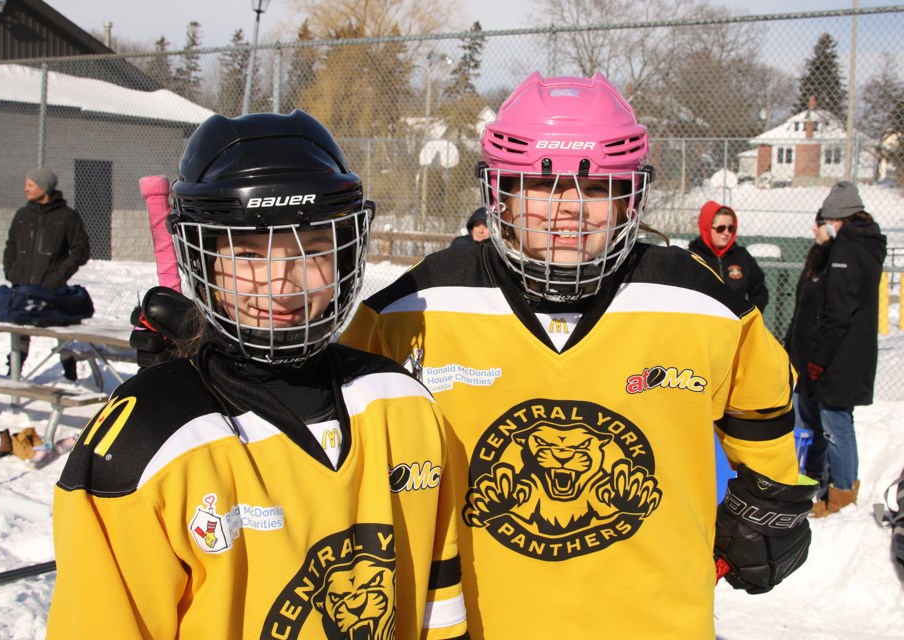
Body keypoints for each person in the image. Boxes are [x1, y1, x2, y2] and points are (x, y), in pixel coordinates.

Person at [340, 72, 816, 638]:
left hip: (655, 620)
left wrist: (769, 492)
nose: (568, 210)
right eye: (541, 185)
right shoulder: (411, 309)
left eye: (596, 189)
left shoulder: (698, 302)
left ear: (629, 199)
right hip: (477, 621)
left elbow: (761, 398)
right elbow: (345, 437)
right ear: (501, 191)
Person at [47, 111, 467, 639]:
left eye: (312, 251)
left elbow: (438, 611)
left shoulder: (403, 406)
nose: (281, 284)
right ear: (203, 260)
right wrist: (171, 401)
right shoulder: (143, 446)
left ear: (347, 253)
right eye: (247, 254)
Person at [783, 182, 886, 517]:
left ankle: (842, 494)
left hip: (841, 356)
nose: (822, 225)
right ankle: (841, 486)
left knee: (835, 425)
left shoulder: (846, 250)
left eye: (826, 219)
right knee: (838, 422)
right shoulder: (866, 245)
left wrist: (819, 360)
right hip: (854, 353)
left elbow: (838, 313)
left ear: (837, 217)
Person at [3, 167, 90, 380]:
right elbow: (11, 244)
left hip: (51, 288)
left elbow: (81, 250)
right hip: (23, 286)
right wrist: (11, 271)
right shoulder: (23, 215)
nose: (26, 189)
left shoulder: (67, 216)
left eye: (30, 185)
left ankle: (69, 371)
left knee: (60, 331)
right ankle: (13, 372)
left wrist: (58, 278)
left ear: (44, 187)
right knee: (20, 331)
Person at [688, 201, 769, 312]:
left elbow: (759, 290)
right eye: (721, 228)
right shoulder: (692, 257)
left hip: (736, 324)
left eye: (731, 228)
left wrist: (750, 314)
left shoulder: (741, 255)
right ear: (706, 227)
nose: (726, 233)